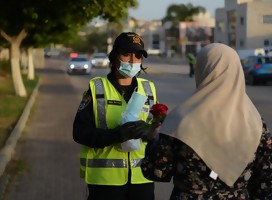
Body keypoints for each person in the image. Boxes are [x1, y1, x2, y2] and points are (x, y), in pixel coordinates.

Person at [141, 43, 272, 199]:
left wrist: (153, 140)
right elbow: (266, 181)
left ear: (203, 70)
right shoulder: (255, 124)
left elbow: (157, 171)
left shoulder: (181, 119)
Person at [73, 32, 159, 200]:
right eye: (126, 54)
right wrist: (115, 135)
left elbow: (158, 129)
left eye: (138, 56)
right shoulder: (97, 88)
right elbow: (79, 132)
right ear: (114, 57)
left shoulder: (149, 88)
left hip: (142, 179)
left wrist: (150, 131)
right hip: (105, 182)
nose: (133, 61)